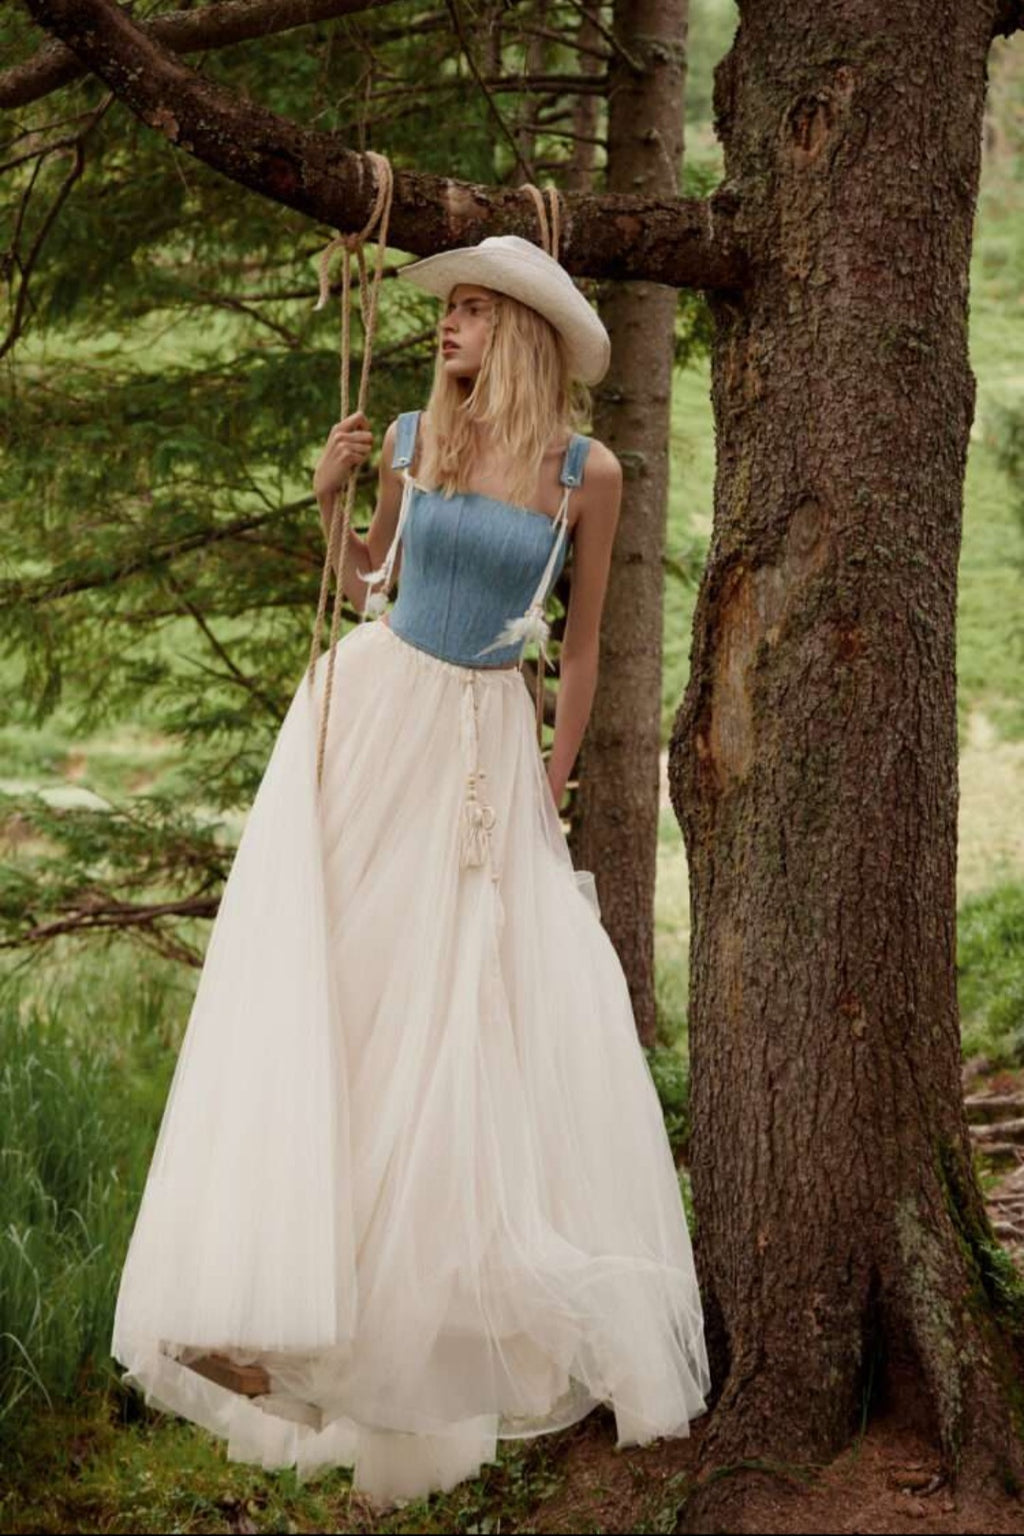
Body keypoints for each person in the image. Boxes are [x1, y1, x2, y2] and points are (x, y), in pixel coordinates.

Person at [110, 234, 710, 1510]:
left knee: (462, 1010)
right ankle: (277, 1306)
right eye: (451, 310)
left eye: (475, 311)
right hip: (376, 713)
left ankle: (422, 1325)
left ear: (524, 333)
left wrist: (551, 782)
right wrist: (333, 502)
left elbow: (582, 650)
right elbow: (370, 586)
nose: (449, 326)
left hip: (485, 738)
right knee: (347, 988)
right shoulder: (408, 439)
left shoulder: (584, 472)